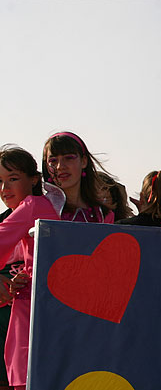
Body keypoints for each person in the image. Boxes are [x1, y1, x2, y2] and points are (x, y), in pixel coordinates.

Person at [0, 145, 61, 390]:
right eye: (0, 181)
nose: (4, 189)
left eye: (13, 179)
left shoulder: (32, 206)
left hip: (37, 316)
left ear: (34, 179)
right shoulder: (50, 204)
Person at [42, 132, 114, 223]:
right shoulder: (35, 207)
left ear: (83, 161)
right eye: (53, 161)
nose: (60, 166)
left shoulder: (103, 215)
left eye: (69, 158)